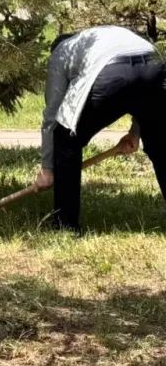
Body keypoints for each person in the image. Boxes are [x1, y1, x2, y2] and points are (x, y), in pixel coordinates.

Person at [33, 25, 165, 232]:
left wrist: (48, 169)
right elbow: (140, 79)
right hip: (154, 65)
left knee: (65, 138)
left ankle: (65, 226)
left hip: (112, 71)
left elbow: (53, 114)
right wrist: (136, 133)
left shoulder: (61, 52)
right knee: (161, 145)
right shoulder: (98, 37)